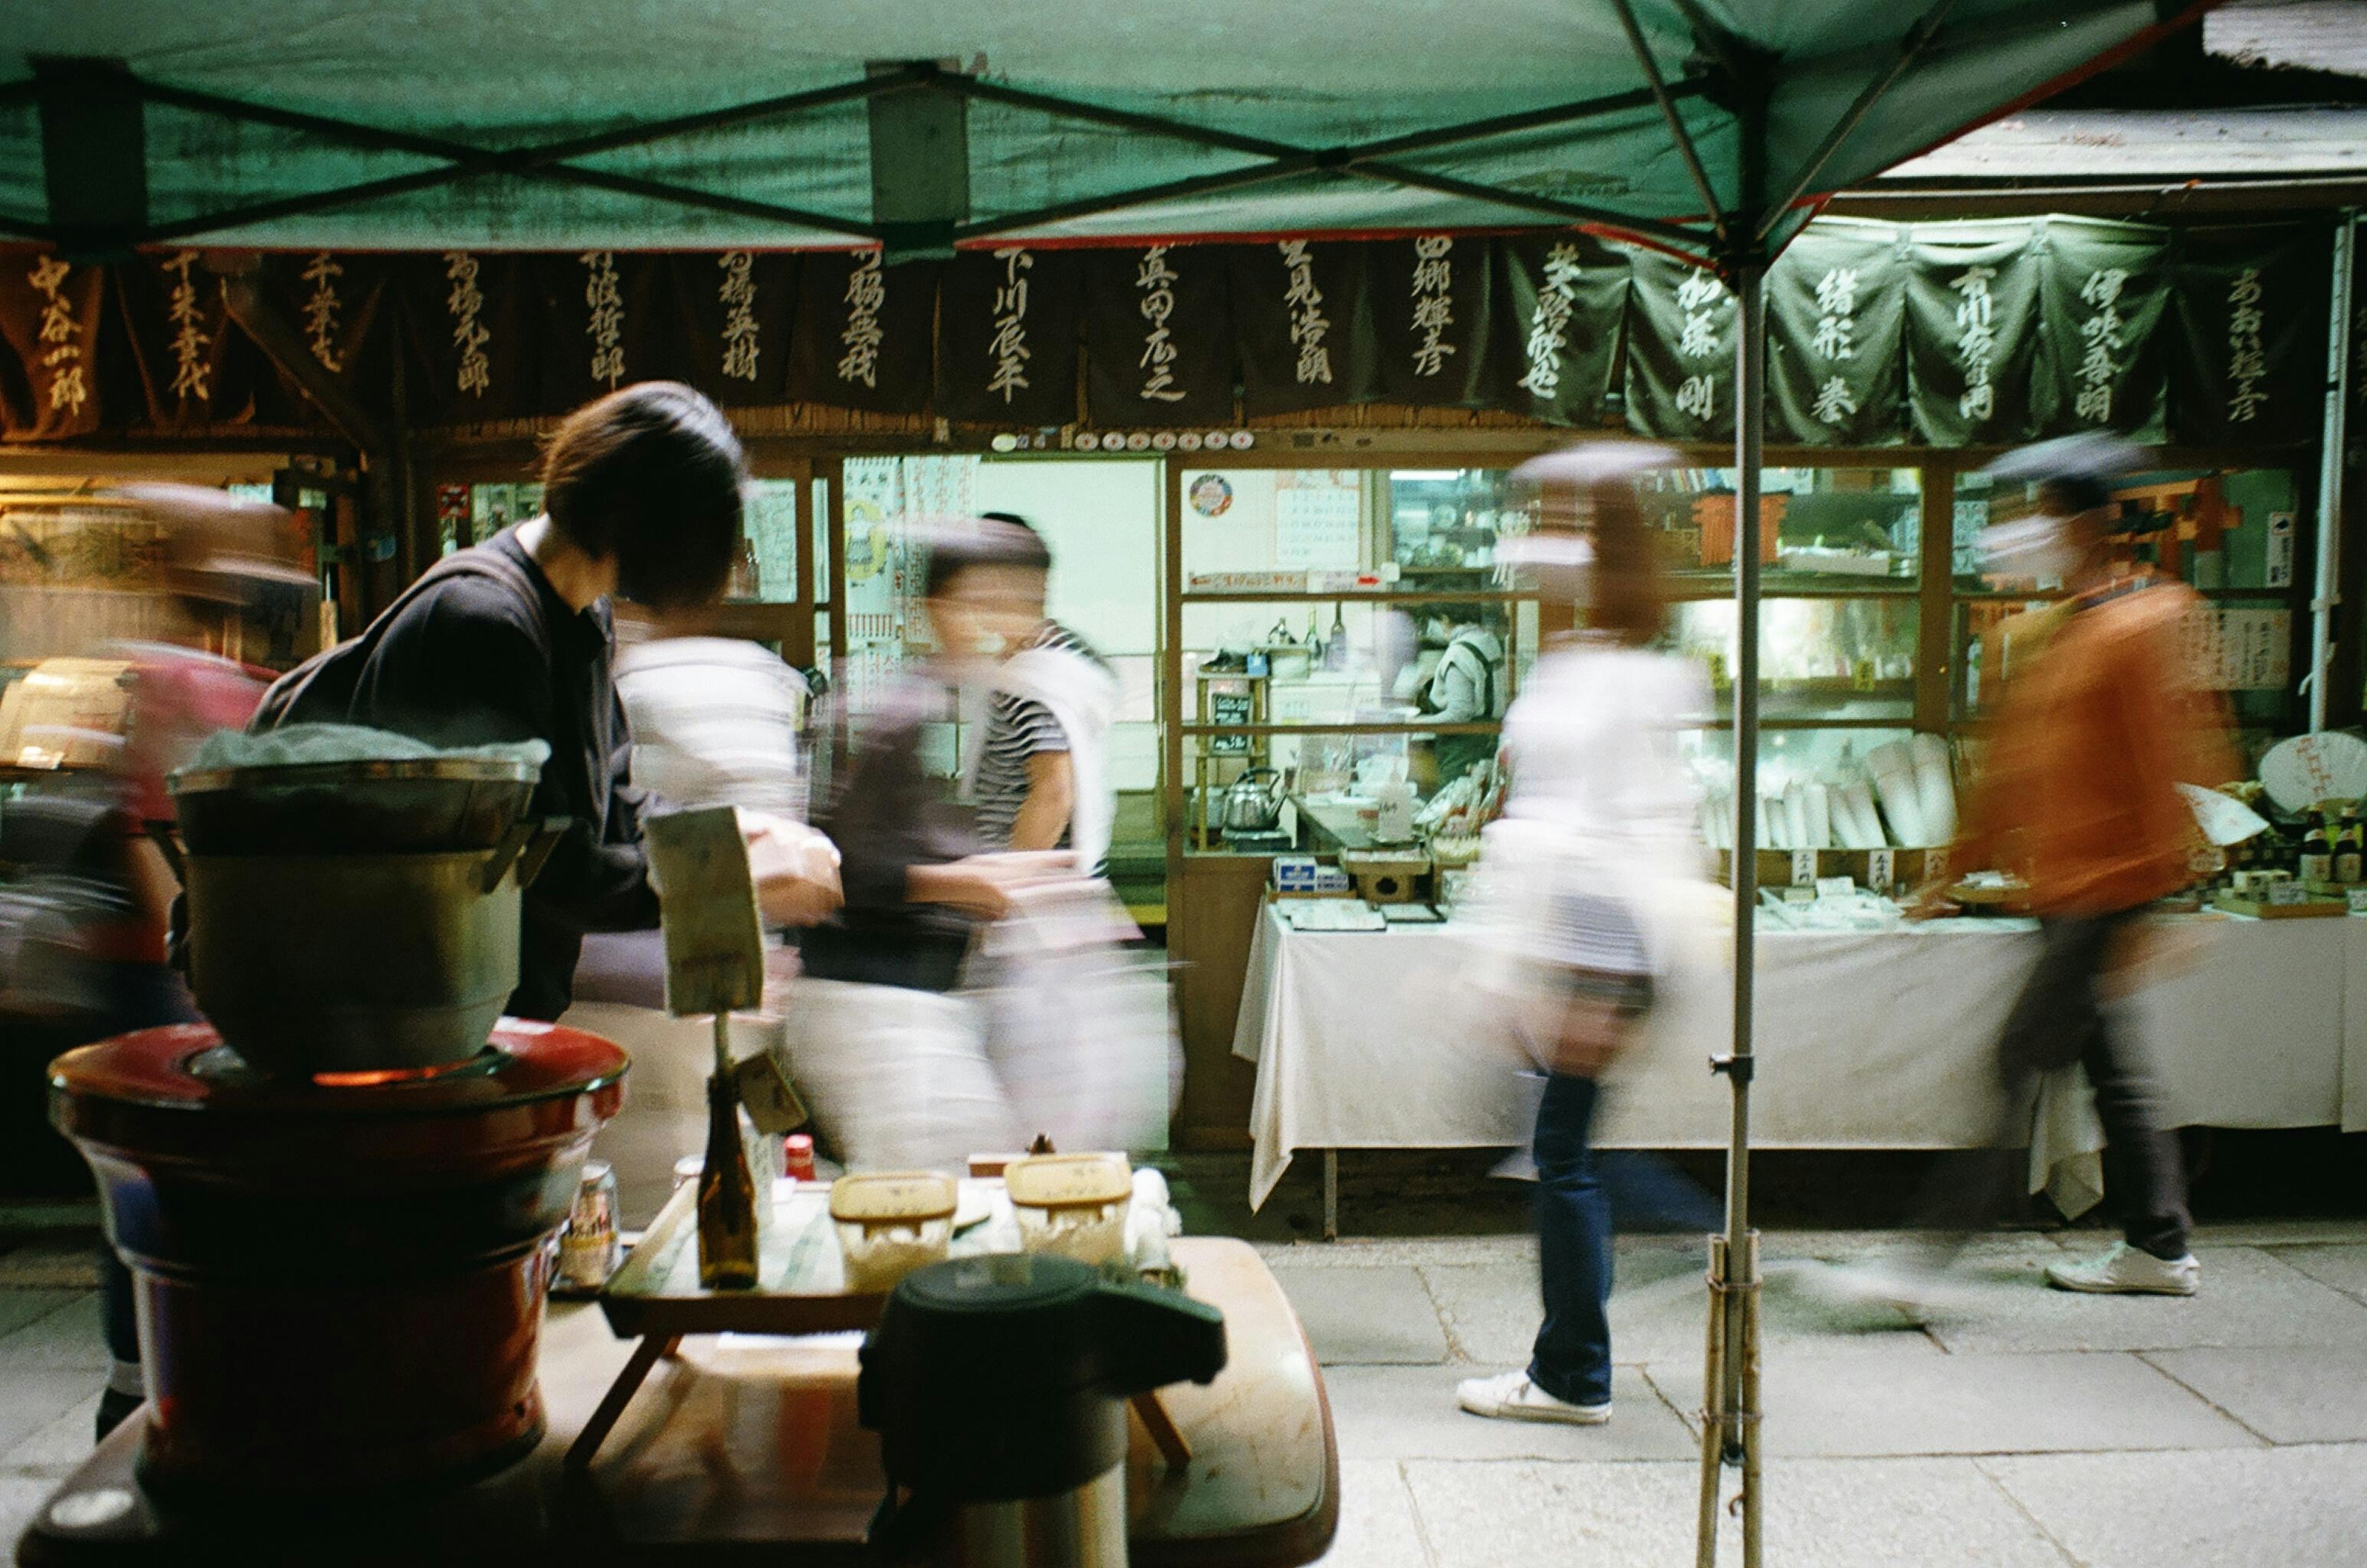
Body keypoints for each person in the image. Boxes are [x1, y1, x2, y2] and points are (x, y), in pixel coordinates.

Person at [251, 382, 840, 1021]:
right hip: (408, 1010)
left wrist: (735, 831)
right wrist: (732, 873)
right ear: (644, 522)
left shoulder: (582, 613)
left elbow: (612, 804)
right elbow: (538, 866)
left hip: (487, 1003)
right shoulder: (484, 622)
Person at [1895, 433, 2233, 1297]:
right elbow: (2013, 769)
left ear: (2085, 523)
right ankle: (2160, 1246)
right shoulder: (2051, 630)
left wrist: (2176, 896)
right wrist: (1953, 869)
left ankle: (1922, 1269)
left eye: (2038, 514)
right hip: (2063, 889)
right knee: (2114, 1071)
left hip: (2108, 890)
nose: (2022, 532)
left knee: (2016, 1060)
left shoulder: (2148, 621)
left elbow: (2182, 762)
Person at [1453, 444, 1712, 1426]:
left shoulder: (1589, 679)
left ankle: (1575, 1372)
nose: (1530, 548)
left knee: (1561, 1155)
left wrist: (1533, 973)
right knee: (1562, 1145)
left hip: (1595, 947)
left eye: (1553, 526)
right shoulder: (1643, 669)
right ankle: (1681, 1266)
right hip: (1620, 946)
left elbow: (1560, 835)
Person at [783, 520, 1066, 1172]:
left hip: (909, 1000)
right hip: (871, 1005)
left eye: (1025, 604)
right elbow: (844, 868)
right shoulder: (901, 707)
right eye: (989, 602)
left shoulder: (953, 700)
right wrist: (968, 885)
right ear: (936, 606)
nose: (1009, 624)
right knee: (928, 1205)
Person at [961, 512, 1119, 873]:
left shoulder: (1039, 674)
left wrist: (1010, 886)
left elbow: (1054, 793)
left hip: (1037, 888)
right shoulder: (1056, 652)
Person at [1420, 603, 1507, 786]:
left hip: (1463, 750)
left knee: (1456, 809)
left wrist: (1413, 725)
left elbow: (1459, 713)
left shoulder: (1459, 654)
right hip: (1490, 739)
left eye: (1433, 620)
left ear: (1444, 619)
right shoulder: (1487, 640)